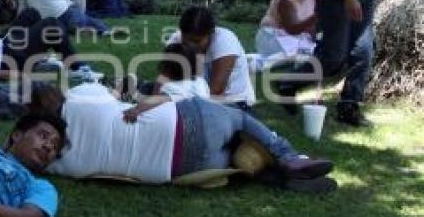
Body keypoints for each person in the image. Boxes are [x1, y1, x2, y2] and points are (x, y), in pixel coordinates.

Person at [46, 82, 334, 192]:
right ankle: (288, 157)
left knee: (235, 162)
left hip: (185, 169)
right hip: (188, 123)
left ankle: (275, 176)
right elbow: (110, 92)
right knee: (239, 117)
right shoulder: (77, 96)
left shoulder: (58, 164)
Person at [167, 6, 255, 109]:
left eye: (197, 41)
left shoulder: (225, 41)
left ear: (210, 34)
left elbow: (216, 91)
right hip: (192, 98)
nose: (191, 45)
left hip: (232, 102)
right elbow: (167, 79)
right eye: (186, 40)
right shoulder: (175, 41)